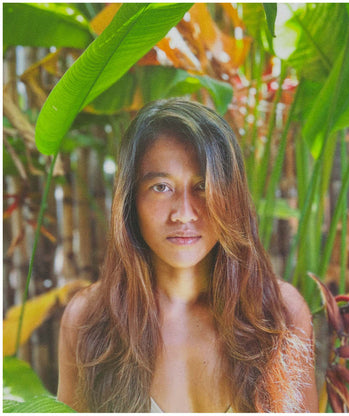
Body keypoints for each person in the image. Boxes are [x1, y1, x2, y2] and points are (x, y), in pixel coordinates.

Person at [57, 99, 318, 412]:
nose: (184, 214)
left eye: (203, 186)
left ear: (230, 197)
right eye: (161, 187)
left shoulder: (279, 314)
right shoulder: (89, 318)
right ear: (130, 200)